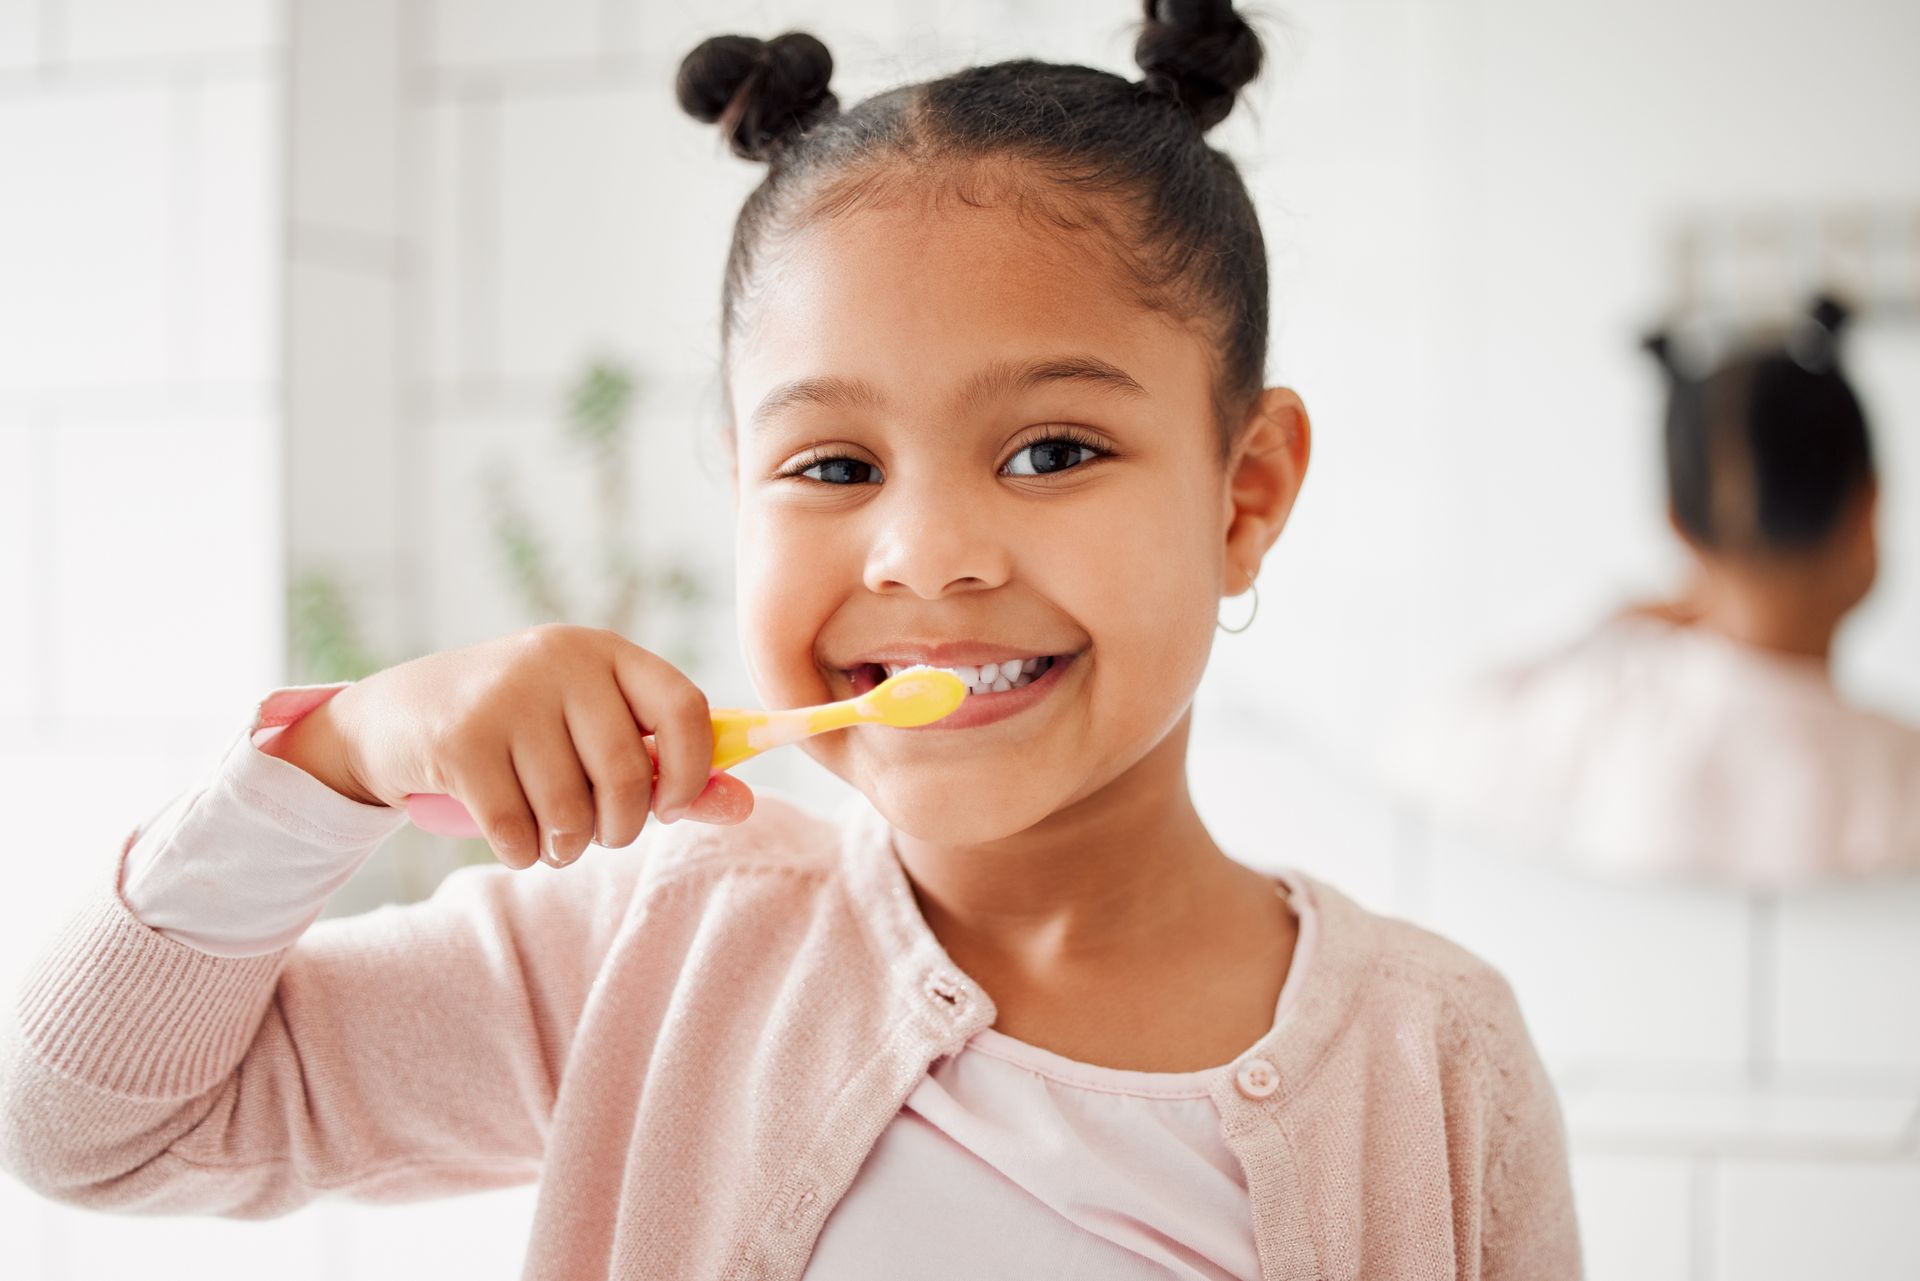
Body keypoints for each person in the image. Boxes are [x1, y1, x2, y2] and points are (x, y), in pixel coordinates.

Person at [0, 4, 1580, 1276]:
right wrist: (336, 762)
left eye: (1051, 451)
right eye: (835, 467)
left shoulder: (1434, 1060)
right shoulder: (653, 955)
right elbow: (87, 1125)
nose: (928, 556)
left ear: (1244, 492)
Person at [1386, 296, 1920, 885]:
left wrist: (1614, 619)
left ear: (1678, 525)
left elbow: (1417, 750)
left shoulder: (1597, 718)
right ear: (1869, 508)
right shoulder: (1902, 772)